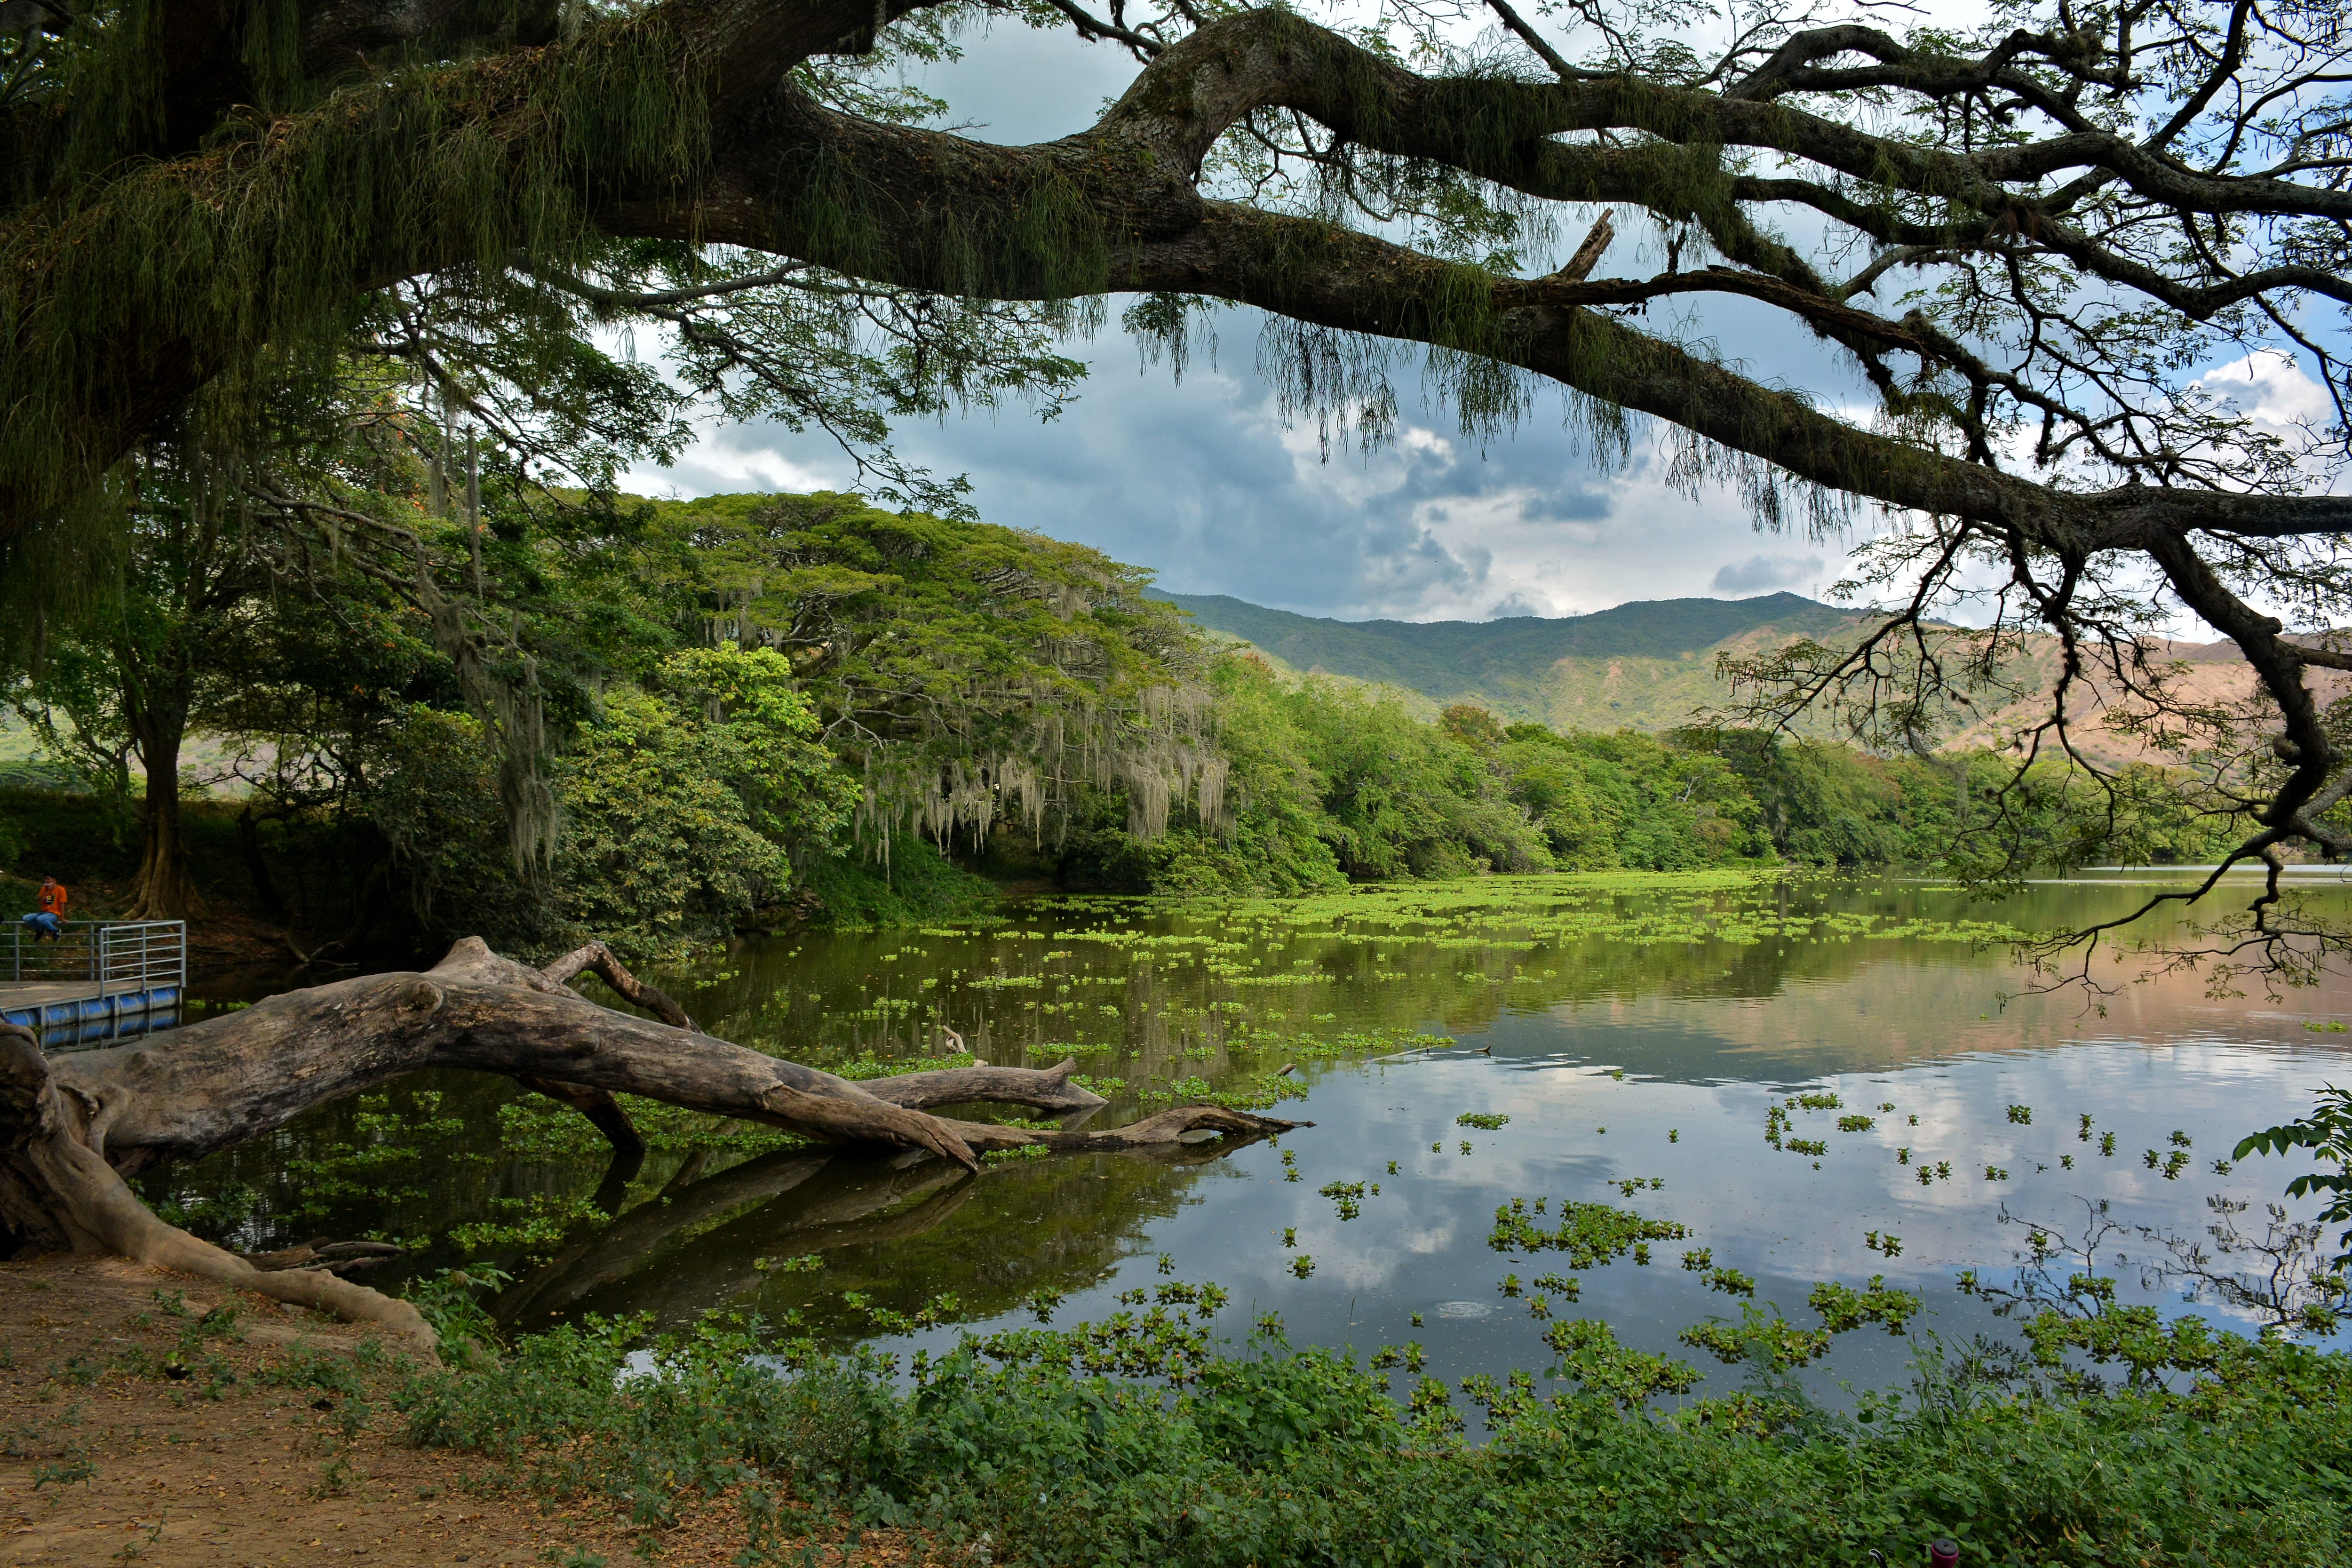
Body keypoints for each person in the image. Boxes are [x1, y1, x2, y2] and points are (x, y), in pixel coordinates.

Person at [20, 875, 66, 941]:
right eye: (46, 879)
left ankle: (56, 930)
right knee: (27, 918)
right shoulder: (44, 889)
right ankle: (40, 930)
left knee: (41, 919)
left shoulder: (61, 890)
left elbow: (62, 904)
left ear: (54, 880)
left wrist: (62, 917)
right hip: (43, 912)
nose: (46, 881)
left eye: (48, 879)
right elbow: (39, 902)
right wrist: (44, 895)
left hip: (54, 913)